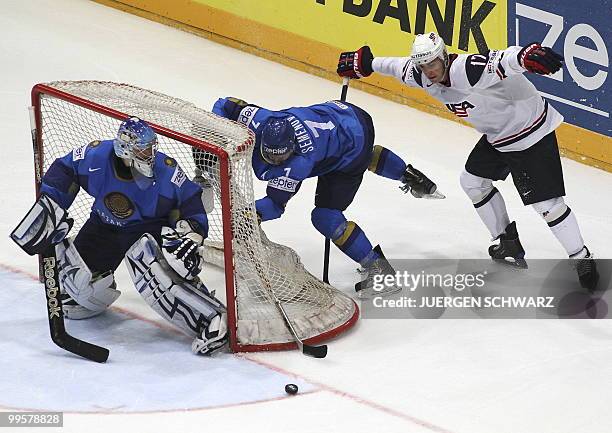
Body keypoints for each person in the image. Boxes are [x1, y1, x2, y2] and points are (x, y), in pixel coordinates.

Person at [337, 33, 599, 291]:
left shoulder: (466, 69)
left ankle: (581, 257)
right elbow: (397, 66)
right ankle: (507, 242)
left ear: (443, 57)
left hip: (530, 131)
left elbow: (503, 61)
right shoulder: (421, 74)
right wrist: (367, 63)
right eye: (423, 65)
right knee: (472, 182)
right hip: (498, 136)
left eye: (432, 63)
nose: (428, 71)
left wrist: (524, 55)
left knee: (548, 206)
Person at [11, 116, 227, 355]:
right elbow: (66, 169)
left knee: (155, 271)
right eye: (143, 150)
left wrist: (193, 232)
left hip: (147, 230)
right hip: (103, 226)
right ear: (125, 150)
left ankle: (213, 319)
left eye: (150, 148)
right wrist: (51, 207)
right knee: (76, 294)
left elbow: (190, 200)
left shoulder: (165, 169)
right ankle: (98, 286)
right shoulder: (96, 156)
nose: (150, 155)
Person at [210, 96, 444, 298]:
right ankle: (409, 175)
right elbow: (223, 105)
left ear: (292, 148)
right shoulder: (259, 118)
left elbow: (275, 204)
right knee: (350, 152)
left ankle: (379, 270)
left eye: (282, 158)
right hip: (347, 113)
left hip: (352, 146)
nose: (276, 163)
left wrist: (250, 214)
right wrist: (211, 139)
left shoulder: (299, 163)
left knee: (325, 216)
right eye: (271, 157)